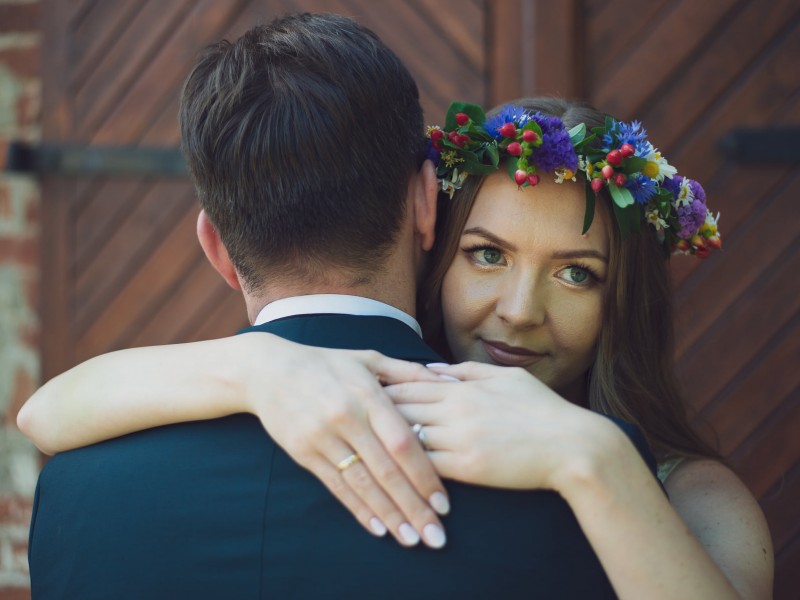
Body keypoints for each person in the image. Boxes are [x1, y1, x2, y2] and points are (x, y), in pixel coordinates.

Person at [18, 14, 663, 600]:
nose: (520, 312)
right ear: (427, 205)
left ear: (215, 247)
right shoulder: (586, 484)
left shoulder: (75, 484)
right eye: (490, 254)